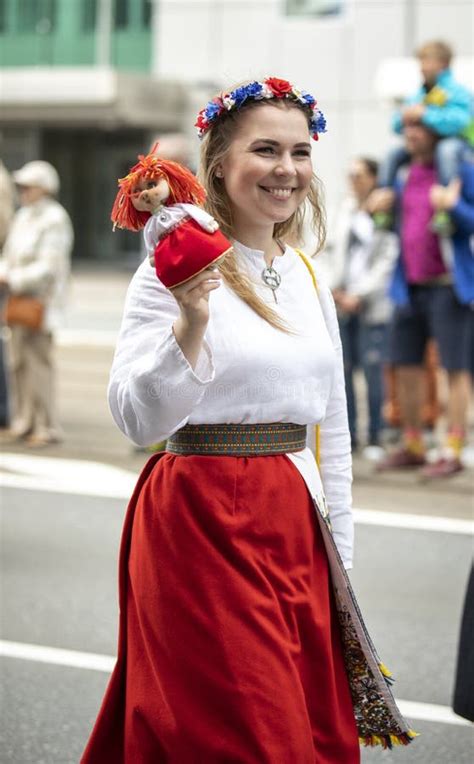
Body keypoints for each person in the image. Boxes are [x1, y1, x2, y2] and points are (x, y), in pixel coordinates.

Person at [81, 77, 415, 762]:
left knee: (303, 729)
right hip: (200, 517)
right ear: (220, 165)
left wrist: (338, 563)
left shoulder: (306, 275)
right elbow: (135, 418)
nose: (286, 170)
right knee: (245, 733)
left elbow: (335, 432)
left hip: (294, 521)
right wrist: (192, 320)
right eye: (265, 149)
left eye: (299, 152)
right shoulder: (169, 272)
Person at [374, 121, 474, 478]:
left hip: (449, 285)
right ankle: (414, 443)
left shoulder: (460, 169)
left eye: (420, 128)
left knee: (457, 368)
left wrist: (454, 206)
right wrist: (376, 208)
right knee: (403, 363)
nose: (411, 134)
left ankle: (453, 447)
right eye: (408, 128)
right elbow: (392, 226)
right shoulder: (400, 173)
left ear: (438, 132)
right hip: (409, 284)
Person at [317, 157, 398, 452]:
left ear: (374, 177)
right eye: (350, 174)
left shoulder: (386, 210)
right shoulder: (344, 209)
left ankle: (376, 433)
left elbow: (386, 259)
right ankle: (349, 435)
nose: (354, 180)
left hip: (369, 306)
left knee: (373, 370)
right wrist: (333, 289)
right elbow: (327, 250)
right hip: (340, 301)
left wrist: (359, 295)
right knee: (344, 371)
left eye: (360, 175)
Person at [0, 160, 73, 446]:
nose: (23, 191)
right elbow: (8, 253)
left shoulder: (54, 218)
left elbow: (50, 268)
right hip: (17, 300)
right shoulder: (23, 216)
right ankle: (24, 420)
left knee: (39, 363)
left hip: (40, 302)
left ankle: (47, 425)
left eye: (28, 186)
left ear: (44, 188)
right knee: (17, 361)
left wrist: (12, 277)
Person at [376, 40, 473, 235]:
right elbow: (397, 124)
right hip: (426, 147)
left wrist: (426, 115)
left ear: (443, 63)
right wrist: (405, 117)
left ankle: (443, 206)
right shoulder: (418, 94)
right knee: (392, 154)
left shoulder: (457, 92)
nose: (422, 67)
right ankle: (383, 202)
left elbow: (460, 121)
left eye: (427, 61)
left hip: (457, 143)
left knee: (446, 150)